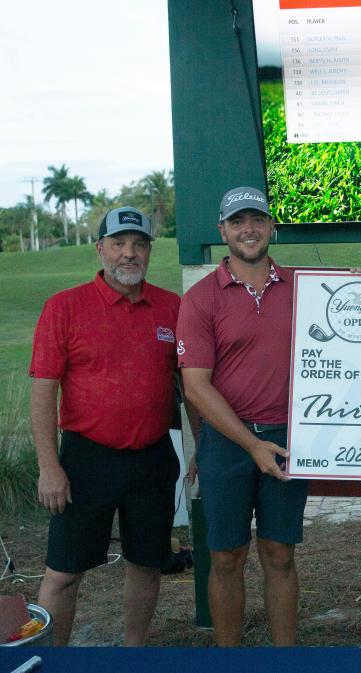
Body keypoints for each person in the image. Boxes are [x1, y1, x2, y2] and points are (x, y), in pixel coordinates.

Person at [29, 207, 181, 646]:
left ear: (149, 251)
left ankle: (132, 655)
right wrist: (48, 466)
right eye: (118, 244)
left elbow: (192, 386)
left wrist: (198, 449)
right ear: (100, 249)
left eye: (139, 245)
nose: (129, 254)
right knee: (62, 574)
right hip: (85, 461)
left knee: (147, 564)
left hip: (152, 460)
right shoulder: (65, 307)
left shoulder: (171, 307)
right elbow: (43, 390)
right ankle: (52, 659)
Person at [177, 186, 308, 646]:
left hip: (288, 436)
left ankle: (284, 658)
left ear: (273, 226)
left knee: (279, 553)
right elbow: (195, 385)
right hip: (228, 442)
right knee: (226, 555)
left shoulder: (304, 287)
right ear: (223, 231)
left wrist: (353, 286)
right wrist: (251, 446)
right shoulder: (200, 299)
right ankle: (230, 659)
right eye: (237, 222)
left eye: (257, 220)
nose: (248, 230)